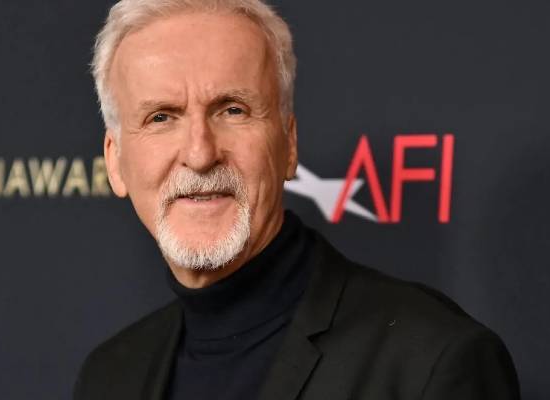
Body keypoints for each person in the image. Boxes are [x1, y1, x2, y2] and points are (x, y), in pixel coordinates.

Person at [74, 0, 520, 399]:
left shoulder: (431, 362)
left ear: (288, 144)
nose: (200, 153)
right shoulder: (109, 376)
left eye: (232, 110)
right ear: (115, 162)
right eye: (161, 117)